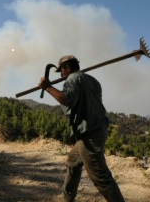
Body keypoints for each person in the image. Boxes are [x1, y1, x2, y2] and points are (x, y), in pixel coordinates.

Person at [38, 55, 125, 202]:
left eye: (62, 71)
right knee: (72, 163)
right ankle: (67, 199)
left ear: (67, 68)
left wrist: (48, 87)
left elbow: (68, 100)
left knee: (100, 177)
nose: (61, 75)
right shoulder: (92, 81)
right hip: (94, 132)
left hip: (90, 135)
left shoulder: (72, 79)